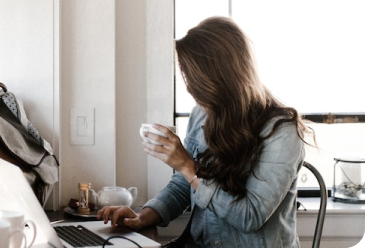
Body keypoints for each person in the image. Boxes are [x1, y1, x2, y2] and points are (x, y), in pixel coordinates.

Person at [97, 16, 315, 248]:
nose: (191, 89)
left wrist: (188, 166)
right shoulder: (202, 115)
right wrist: (142, 216)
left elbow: (249, 217)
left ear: (221, 79)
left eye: (195, 81)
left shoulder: (282, 132)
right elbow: (183, 186)